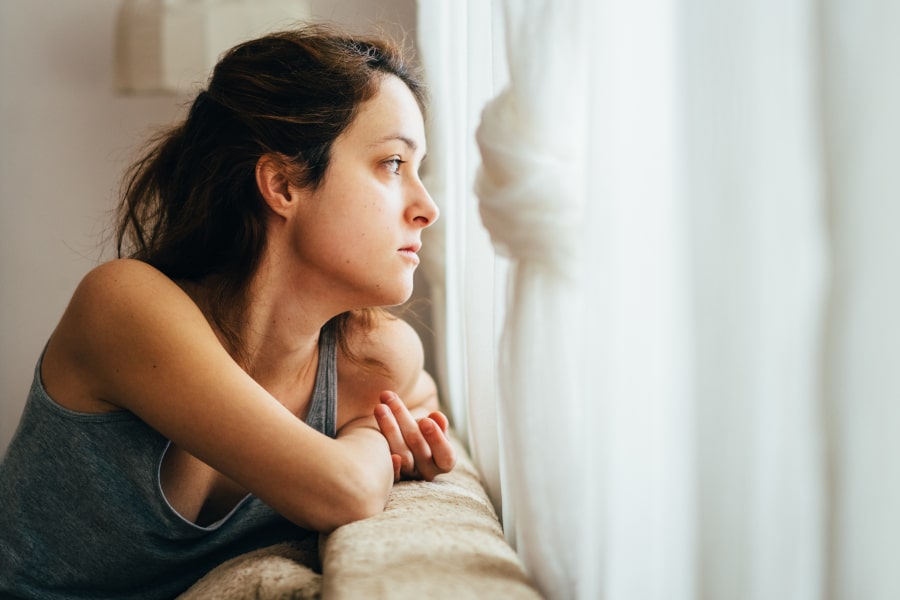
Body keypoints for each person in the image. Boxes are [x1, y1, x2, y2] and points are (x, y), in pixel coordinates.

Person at [0, 23, 456, 599]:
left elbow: (421, 405)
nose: (427, 207)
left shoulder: (374, 357)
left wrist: (376, 426)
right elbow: (344, 490)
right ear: (283, 184)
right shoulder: (122, 304)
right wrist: (370, 436)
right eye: (393, 163)